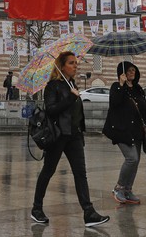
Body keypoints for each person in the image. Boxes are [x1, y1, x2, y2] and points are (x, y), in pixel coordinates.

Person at [31, 51, 110, 227]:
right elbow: (51, 109)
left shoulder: (71, 83)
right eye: (72, 63)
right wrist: (71, 98)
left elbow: (75, 113)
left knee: (81, 174)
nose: (76, 65)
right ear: (62, 66)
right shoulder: (53, 85)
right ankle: (36, 209)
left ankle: (89, 213)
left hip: (74, 135)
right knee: (48, 171)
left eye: (76, 63)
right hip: (58, 135)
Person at [103, 61, 146, 204]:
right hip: (121, 130)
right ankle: (119, 188)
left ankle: (128, 190)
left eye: (134, 70)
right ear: (122, 73)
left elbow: (145, 110)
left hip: (137, 131)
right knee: (132, 158)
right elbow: (114, 103)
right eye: (128, 70)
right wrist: (121, 85)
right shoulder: (116, 87)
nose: (132, 72)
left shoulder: (138, 89)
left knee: (136, 161)